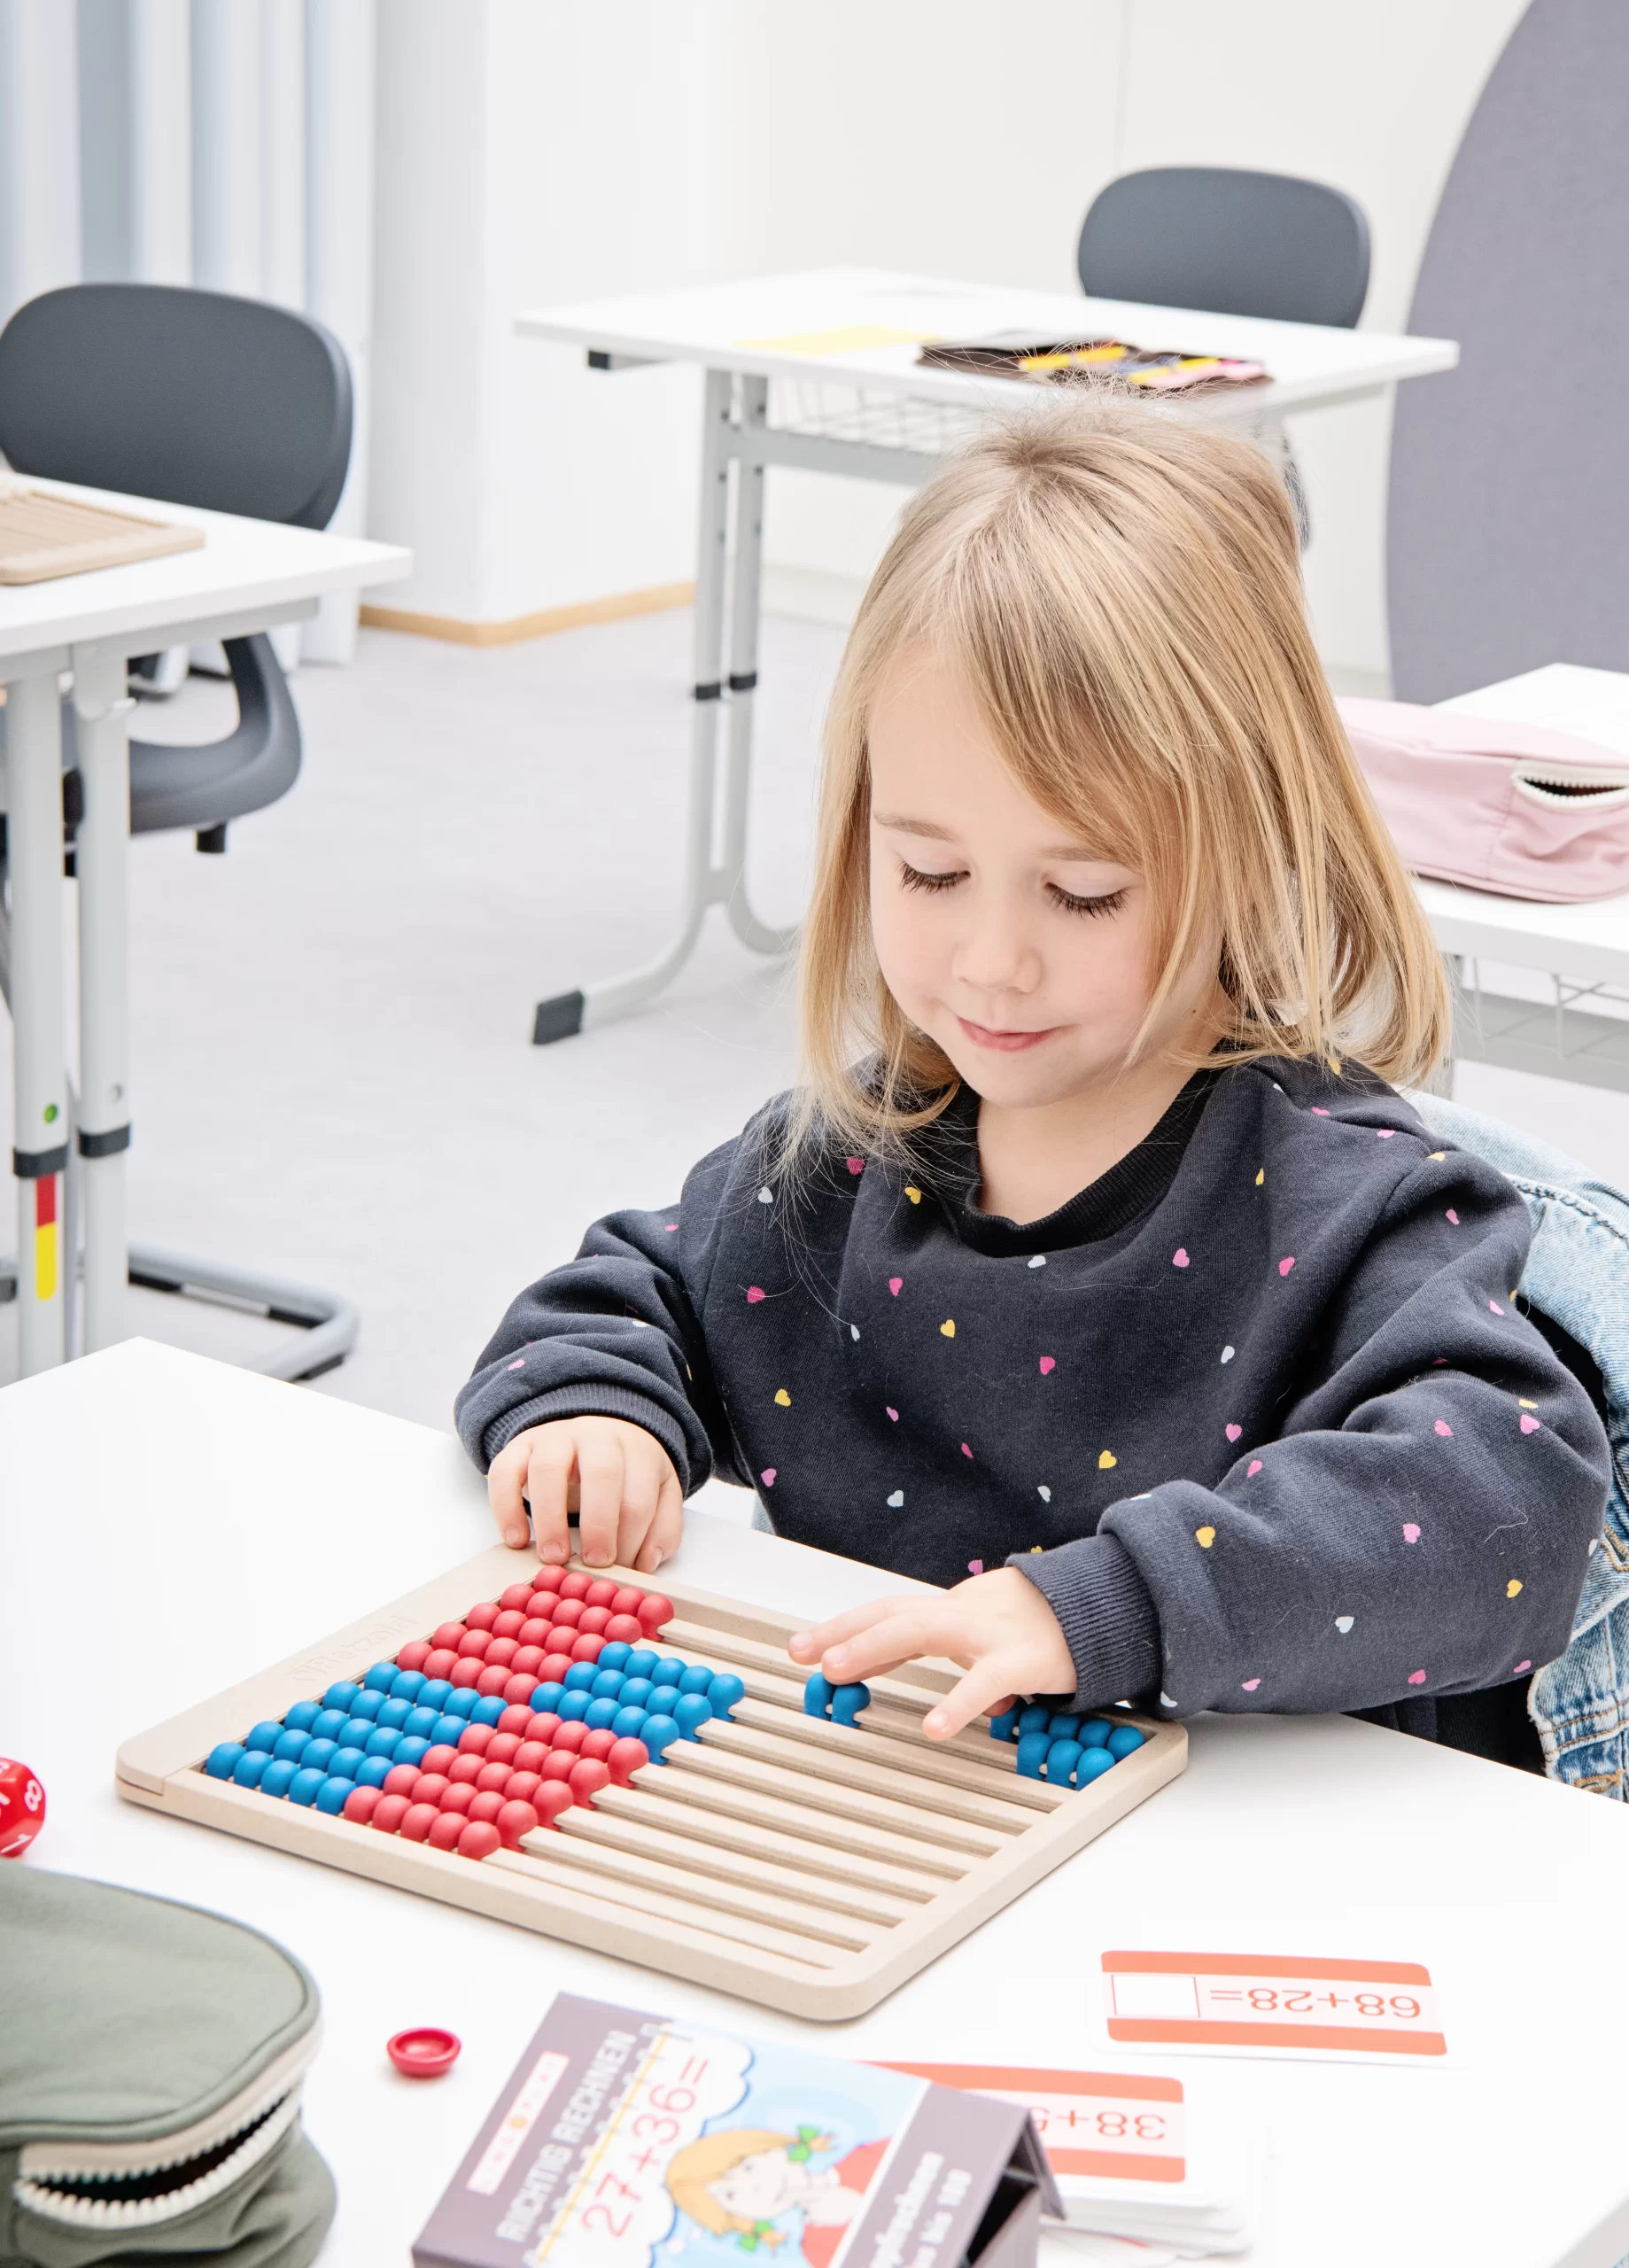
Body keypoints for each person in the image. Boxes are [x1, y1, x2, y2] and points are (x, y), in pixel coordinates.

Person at [455, 395, 1610, 1762]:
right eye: (928, 871)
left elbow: (1498, 1515)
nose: (991, 963)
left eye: (1082, 891)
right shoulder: (830, 1163)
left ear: (1249, 856)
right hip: (926, 1807)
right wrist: (592, 1410)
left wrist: (1105, 1606)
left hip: (1260, 1843)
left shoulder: (1356, 1205)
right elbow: (625, 1294)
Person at [665, 2126, 888, 2262]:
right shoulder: (817, 2248)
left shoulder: (872, 2156)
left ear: (774, 2149)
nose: (753, 2186)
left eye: (747, 2167)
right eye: (730, 2195)